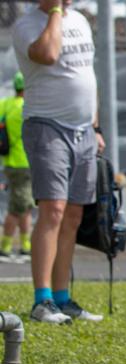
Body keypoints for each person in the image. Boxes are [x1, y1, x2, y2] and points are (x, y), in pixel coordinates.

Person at [13, 0, 106, 324]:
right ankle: (42, 301)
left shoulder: (79, 19)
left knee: (74, 214)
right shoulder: (28, 25)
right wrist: (53, 12)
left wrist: (95, 127)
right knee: (52, 209)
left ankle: (63, 298)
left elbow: (87, 76)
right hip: (47, 126)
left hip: (83, 130)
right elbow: (48, 54)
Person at [0, 72, 33, 262]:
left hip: (10, 162)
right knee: (17, 207)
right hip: (24, 163)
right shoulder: (27, 107)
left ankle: (25, 245)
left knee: (25, 206)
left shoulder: (5, 104)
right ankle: (6, 246)